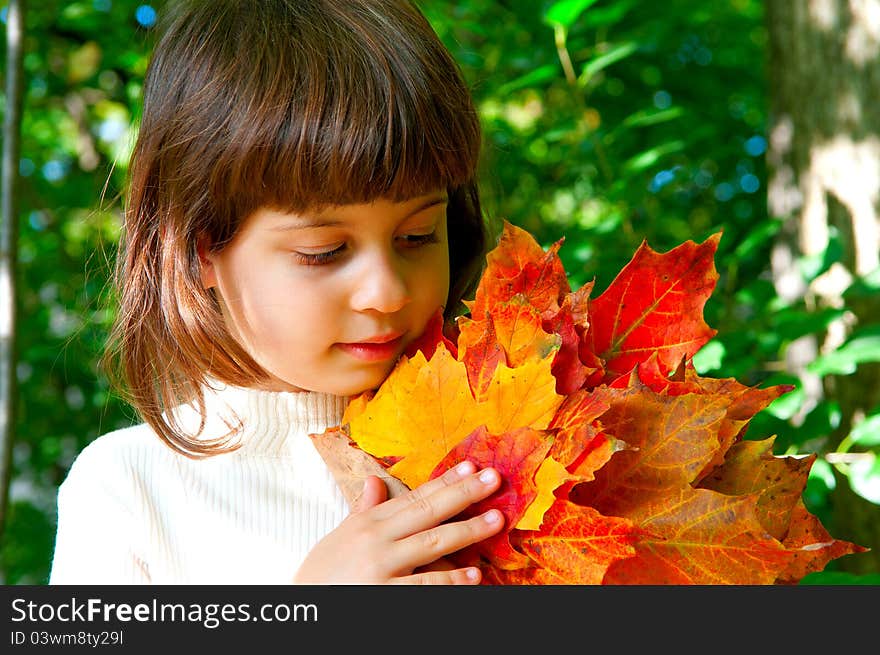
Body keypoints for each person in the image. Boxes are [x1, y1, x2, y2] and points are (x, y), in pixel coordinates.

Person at [48, 0, 505, 585]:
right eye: (323, 251)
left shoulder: (499, 444)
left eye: (418, 236)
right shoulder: (130, 489)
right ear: (200, 248)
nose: (386, 292)